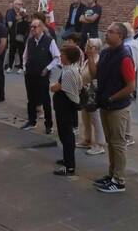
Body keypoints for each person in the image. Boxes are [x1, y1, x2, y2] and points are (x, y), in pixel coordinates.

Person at [88, 22, 136, 193]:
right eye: (107, 31)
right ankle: (112, 175)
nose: (106, 34)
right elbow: (95, 74)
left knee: (118, 143)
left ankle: (119, 180)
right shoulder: (106, 52)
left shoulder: (124, 57)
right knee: (110, 142)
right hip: (105, 104)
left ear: (120, 36)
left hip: (117, 107)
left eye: (110, 32)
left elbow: (131, 86)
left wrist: (112, 97)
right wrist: (90, 56)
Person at [21, 19, 60, 134]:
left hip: (42, 75)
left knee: (45, 100)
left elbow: (57, 57)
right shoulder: (30, 41)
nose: (32, 29)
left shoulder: (49, 41)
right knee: (31, 99)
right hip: (30, 74)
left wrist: (47, 68)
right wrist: (24, 68)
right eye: (31, 27)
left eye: (35, 27)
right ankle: (31, 121)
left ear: (41, 28)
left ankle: (49, 125)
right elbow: (25, 56)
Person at [51, 45, 83, 176]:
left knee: (66, 136)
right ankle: (67, 159)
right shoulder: (69, 69)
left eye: (62, 54)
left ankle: (69, 166)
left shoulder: (69, 72)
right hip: (64, 107)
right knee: (65, 135)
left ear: (68, 57)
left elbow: (59, 88)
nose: (60, 56)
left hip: (66, 108)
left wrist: (53, 87)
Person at [77, 38, 106, 155]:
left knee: (95, 118)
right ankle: (87, 139)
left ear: (96, 49)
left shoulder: (98, 59)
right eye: (87, 46)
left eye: (90, 47)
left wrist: (89, 56)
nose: (87, 48)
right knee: (85, 116)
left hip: (93, 93)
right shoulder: (86, 60)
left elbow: (94, 74)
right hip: (84, 92)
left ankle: (100, 144)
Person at [123, 22, 138, 146]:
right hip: (128, 77)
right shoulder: (129, 44)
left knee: (126, 108)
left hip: (127, 78)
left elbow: (132, 63)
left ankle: (128, 135)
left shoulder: (130, 46)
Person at [5, 0, 24, 72]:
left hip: (21, 35)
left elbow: (26, 22)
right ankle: (9, 66)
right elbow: (10, 24)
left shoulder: (23, 12)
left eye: (21, 4)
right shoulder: (10, 12)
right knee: (12, 51)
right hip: (12, 35)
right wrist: (18, 19)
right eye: (18, 4)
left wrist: (22, 16)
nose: (20, 6)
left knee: (21, 51)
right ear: (14, 5)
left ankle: (21, 67)